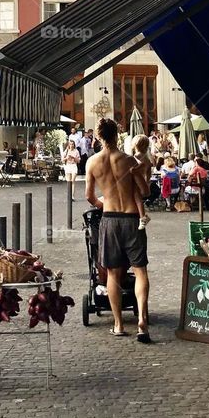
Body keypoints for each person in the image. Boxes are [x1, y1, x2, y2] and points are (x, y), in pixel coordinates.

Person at [86, 117, 151, 343]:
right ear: (117, 134)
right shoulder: (129, 161)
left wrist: (104, 205)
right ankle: (142, 320)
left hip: (110, 219)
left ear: (98, 136)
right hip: (133, 218)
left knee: (112, 273)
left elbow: (89, 197)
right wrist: (135, 175)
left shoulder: (92, 162)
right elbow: (144, 192)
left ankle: (118, 324)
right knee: (140, 270)